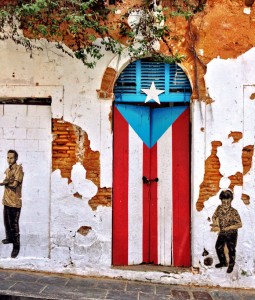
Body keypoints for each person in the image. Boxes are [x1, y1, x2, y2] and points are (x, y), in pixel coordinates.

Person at [210, 189, 242, 273]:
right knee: (218, 247)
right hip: (222, 232)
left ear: (231, 200)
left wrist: (230, 227)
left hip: (232, 233)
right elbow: (214, 216)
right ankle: (223, 262)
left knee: (231, 249)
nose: (226, 204)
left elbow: (239, 224)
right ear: (221, 201)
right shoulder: (219, 208)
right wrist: (215, 222)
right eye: (224, 202)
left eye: (228, 202)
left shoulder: (234, 212)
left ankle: (231, 265)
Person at [0, 150, 24, 258]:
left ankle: (16, 246)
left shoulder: (19, 169)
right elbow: (3, 181)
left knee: (14, 225)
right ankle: (9, 239)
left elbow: (14, 185)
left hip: (15, 202)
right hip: (6, 201)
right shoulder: (8, 169)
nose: (9, 160)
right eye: (8, 158)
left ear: (16, 158)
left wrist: (6, 182)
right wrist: (6, 181)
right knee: (7, 223)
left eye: (11, 158)